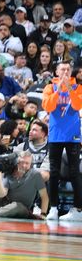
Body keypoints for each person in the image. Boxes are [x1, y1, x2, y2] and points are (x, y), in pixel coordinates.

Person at [41, 62, 82, 221]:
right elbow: (49, 107)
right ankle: (53, 208)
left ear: (71, 72)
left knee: (74, 172)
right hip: (55, 135)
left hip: (73, 135)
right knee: (54, 172)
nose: (65, 71)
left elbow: (78, 105)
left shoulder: (78, 87)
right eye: (62, 69)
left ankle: (78, 210)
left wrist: (69, 88)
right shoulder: (50, 87)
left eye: (67, 69)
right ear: (56, 72)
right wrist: (59, 89)